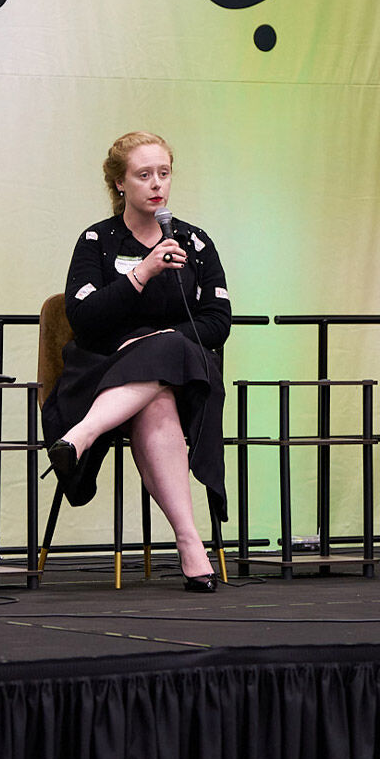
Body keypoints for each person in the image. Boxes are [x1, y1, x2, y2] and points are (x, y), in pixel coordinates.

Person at [42, 131, 231, 591]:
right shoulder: (96, 241)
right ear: (119, 183)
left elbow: (217, 321)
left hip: (185, 374)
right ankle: (191, 547)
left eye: (163, 173)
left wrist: (160, 341)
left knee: (164, 356)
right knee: (156, 400)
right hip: (102, 369)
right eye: (143, 175)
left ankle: (78, 438)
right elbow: (83, 318)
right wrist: (144, 271)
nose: (156, 184)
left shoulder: (195, 242)